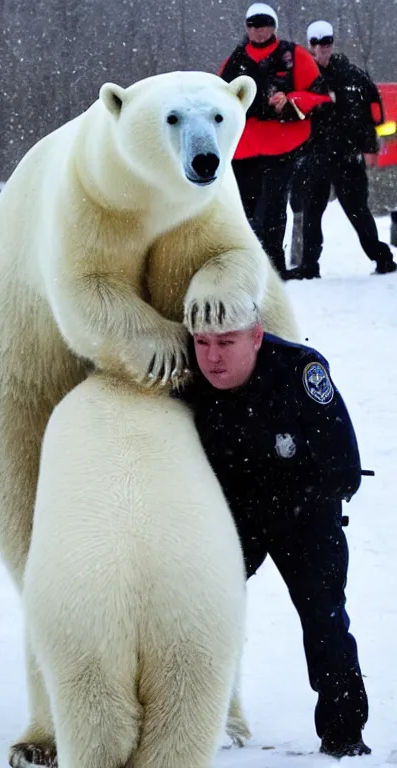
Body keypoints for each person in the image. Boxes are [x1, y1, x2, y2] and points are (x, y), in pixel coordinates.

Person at [175, 300, 371, 758]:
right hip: (231, 516)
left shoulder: (299, 372)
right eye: (202, 343)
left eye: (226, 343)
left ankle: (345, 735)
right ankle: (185, 723)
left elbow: (344, 467)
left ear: (257, 337)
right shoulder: (187, 380)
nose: (213, 357)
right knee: (190, 610)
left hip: (304, 513)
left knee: (325, 619)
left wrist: (294, 495)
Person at [218, 3, 331, 278]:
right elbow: (219, 99)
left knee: (272, 209)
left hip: (282, 146)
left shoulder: (294, 55)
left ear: (274, 26)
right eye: (254, 25)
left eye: (265, 24)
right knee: (245, 212)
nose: (259, 30)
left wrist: (290, 101)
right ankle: (249, 267)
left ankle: (274, 266)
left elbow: (321, 97)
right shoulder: (235, 60)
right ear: (247, 28)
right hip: (243, 150)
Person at [287, 20, 397, 279]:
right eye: (316, 43)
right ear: (309, 45)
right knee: (311, 214)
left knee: (359, 212)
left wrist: (370, 148)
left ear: (332, 43)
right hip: (314, 157)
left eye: (326, 42)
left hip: (348, 158)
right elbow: (290, 114)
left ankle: (383, 259)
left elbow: (374, 112)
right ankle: (308, 266)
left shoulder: (353, 75)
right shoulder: (301, 76)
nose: (321, 48)